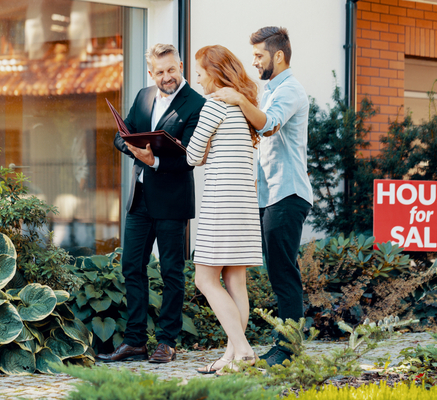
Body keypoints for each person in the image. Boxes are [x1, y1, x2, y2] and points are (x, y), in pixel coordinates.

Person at [96, 44, 205, 363]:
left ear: (181, 66)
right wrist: (134, 150)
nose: (167, 77)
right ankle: (134, 341)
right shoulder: (143, 96)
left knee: (172, 271)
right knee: (132, 267)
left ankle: (167, 342)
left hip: (172, 200)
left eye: (172, 70)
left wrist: (155, 160)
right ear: (150, 73)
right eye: (160, 72)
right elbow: (121, 135)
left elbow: (190, 159)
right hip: (140, 199)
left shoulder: (195, 104)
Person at [212, 26, 313, 367]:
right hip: (270, 195)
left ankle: (288, 349)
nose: (253, 61)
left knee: (284, 272)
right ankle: (283, 343)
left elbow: (268, 124)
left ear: (278, 55)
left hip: (289, 192)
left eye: (259, 55)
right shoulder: (270, 90)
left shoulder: (291, 91)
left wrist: (239, 99)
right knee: (276, 271)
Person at [186, 45, 263, 374]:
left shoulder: (213, 105)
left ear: (214, 73)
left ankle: (243, 350)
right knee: (236, 280)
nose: (197, 78)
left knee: (205, 279)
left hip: (221, 201)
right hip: (244, 201)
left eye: (200, 71)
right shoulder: (242, 109)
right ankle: (232, 357)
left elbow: (191, 156)